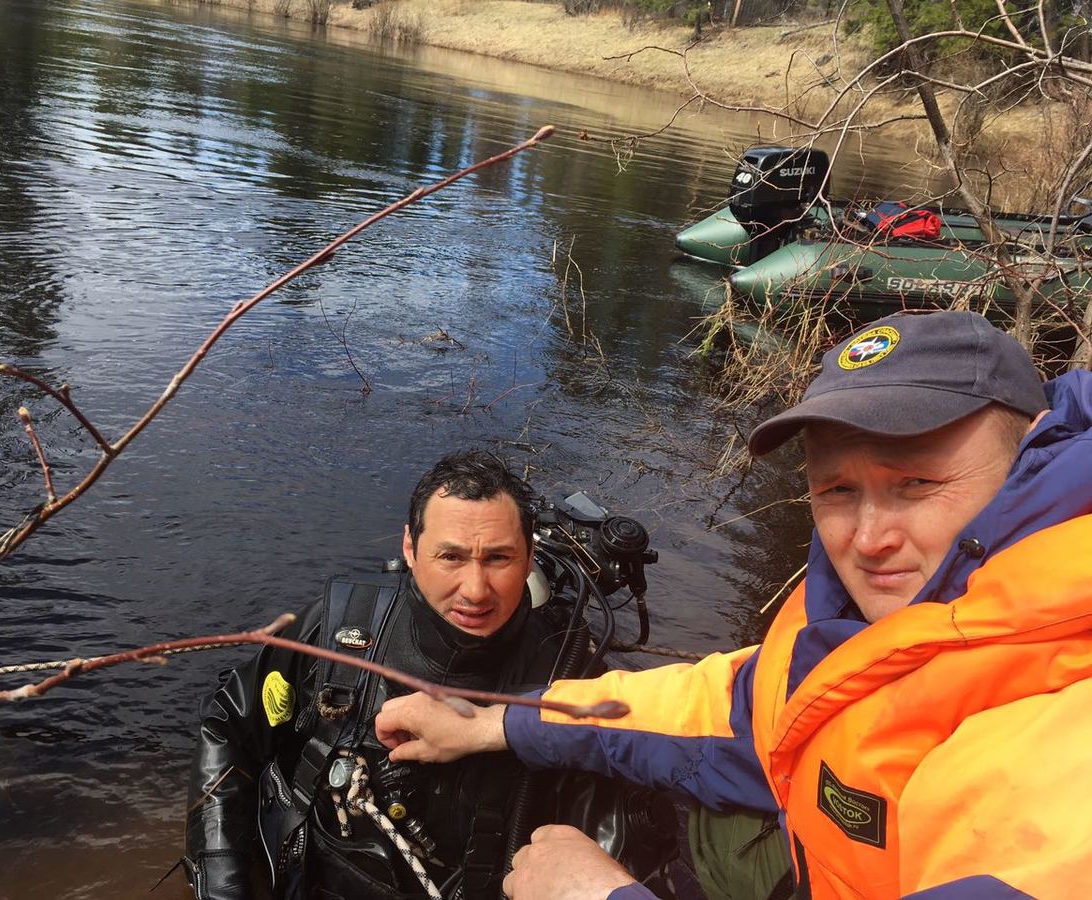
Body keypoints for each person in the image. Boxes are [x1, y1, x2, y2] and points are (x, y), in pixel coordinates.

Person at [375, 310, 1092, 899]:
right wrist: (494, 725)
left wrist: (601, 897)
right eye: (838, 490)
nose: (871, 539)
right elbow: (722, 707)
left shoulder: (1064, 752)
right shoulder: (860, 624)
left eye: (917, 484)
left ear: (1032, 452)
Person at [183, 450, 677, 900]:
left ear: (528, 557)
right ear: (411, 549)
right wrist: (222, 876)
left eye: (498, 558)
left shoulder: (572, 680)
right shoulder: (343, 623)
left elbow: (606, 841)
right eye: (451, 556)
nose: (476, 590)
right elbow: (228, 724)